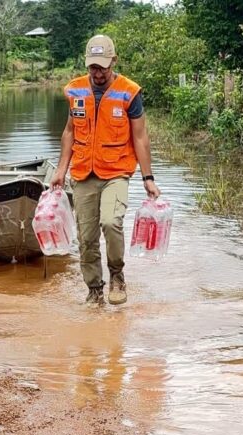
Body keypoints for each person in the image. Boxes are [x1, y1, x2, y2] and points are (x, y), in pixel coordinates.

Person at [50, 35, 160, 306]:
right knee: (86, 238)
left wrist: (148, 178)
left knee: (111, 222)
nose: (97, 73)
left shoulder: (129, 92)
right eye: (93, 67)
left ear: (114, 61)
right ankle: (94, 291)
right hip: (83, 173)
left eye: (102, 67)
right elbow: (69, 132)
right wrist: (60, 170)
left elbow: (140, 137)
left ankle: (117, 276)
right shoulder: (75, 91)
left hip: (116, 172)